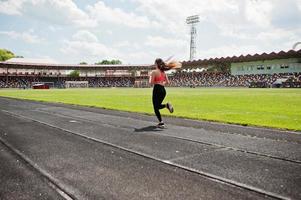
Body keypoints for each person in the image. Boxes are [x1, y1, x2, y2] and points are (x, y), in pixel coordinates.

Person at [149, 58, 174, 128]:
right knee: (157, 106)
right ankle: (166, 106)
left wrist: (150, 77)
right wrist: (162, 83)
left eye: (155, 63)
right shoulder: (163, 73)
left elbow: (151, 83)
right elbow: (168, 82)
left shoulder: (154, 72)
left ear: (156, 64)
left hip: (157, 89)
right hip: (163, 90)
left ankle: (161, 122)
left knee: (155, 107)